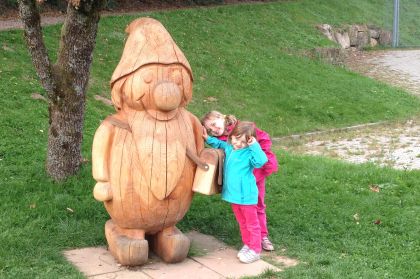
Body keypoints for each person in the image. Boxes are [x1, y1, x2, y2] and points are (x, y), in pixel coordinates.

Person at [202, 111, 278, 251]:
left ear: (222, 117)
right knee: (244, 212)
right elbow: (221, 144)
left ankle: (262, 237)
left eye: (213, 124)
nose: (213, 129)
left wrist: (256, 148)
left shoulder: (242, 128)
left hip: (257, 173)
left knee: (258, 205)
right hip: (240, 179)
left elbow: (263, 139)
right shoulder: (228, 141)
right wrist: (208, 139)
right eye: (210, 129)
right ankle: (250, 240)